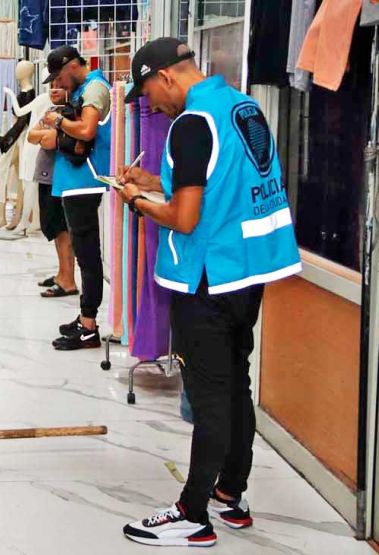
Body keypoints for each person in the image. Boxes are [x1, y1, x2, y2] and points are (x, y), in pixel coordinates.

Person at [116, 37, 301, 548]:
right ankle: (231, 494)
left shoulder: (191, 123)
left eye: (149, 91)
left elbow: (185, 217)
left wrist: (138, 200)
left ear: (167, 77)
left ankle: (191, 512)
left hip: (209, 277)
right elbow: (223, 181)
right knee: (236, 384)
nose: (151, 103)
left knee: (210, 393)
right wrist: (157, 178)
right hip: (247, 273)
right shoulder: (242, 107)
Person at [40, 46, 112, 351]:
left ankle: (88, 325)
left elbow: (85, 129)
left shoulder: (95, 88)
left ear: (71, 66)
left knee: (88, 256)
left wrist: (57, 120)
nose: (57, 84)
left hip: (85, 182)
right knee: (84, 255)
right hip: (74, 182)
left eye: (58, 77)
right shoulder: (83, 90)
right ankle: (85, 317)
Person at [26, 90, 78, 299]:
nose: (54, 89)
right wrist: (44, 134)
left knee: (63, 230)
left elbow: (48, 141)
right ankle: (62, 274)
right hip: (47, 177)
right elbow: (32, 136)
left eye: (59, 84)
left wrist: (47, 135)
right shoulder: (51, 111)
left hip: (59, 178)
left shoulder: (69, 114)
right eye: (52, 85)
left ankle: (68, 281)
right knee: (55, 229)